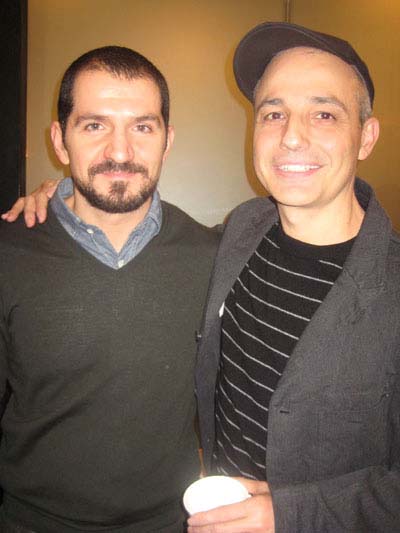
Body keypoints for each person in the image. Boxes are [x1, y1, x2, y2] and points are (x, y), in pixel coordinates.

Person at [0, 46, 220, 532]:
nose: (120, 152)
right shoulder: (8, 253)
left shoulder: (214, 258)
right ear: (60, 141)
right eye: (94, 125)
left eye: (142, 127)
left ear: (167, 140)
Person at [191, 23, 400, 532]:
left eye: (324, 113)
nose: (291, 136)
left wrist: (287, 515)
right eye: (274, 112)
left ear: (365, 137)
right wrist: (67, 202)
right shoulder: (242, 228)